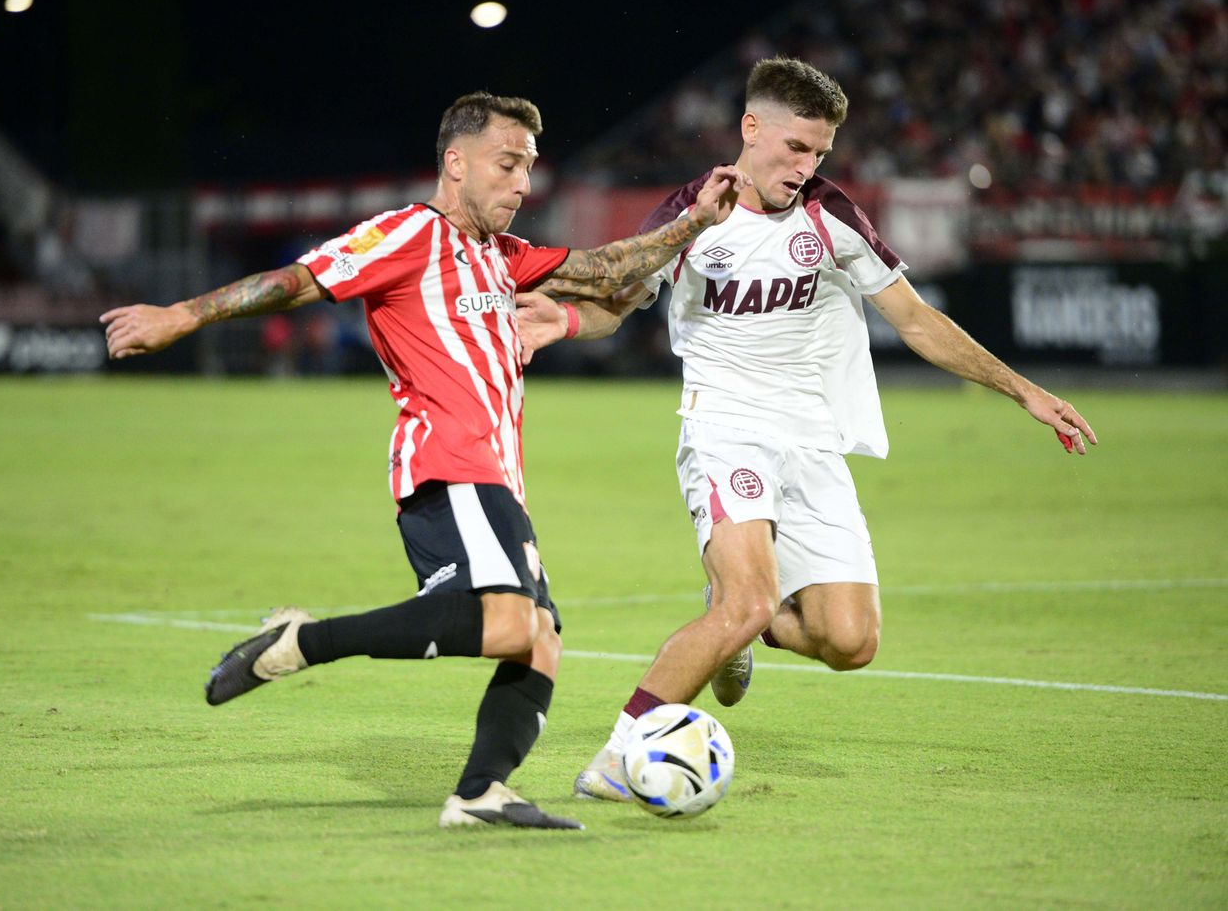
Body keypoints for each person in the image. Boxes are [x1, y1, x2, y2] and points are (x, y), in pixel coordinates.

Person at [99, 91, 749, 828]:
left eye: (528, 169)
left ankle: (481, 792)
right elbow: (298, 280)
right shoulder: (407, 233)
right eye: (507, 165)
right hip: (446, 462)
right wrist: (180, 316)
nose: (521, 184)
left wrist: (695, 222)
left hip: (498, 476)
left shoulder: (505, 258)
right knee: (510, 625)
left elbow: (607, 270)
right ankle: (301, 642)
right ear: (455, 162)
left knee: (540, 641)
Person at [513, 57, 1098, 802]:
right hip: (724, 429)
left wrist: (1023, 392)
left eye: (819, 153)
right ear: (750, 129)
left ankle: (732, 629)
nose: (806, 165)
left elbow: (915, 318)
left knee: (851, 641)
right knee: (749, 599)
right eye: (796, 148)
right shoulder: (694, 212)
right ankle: (619, 754)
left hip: (812, 438)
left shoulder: (830, 214)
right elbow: (618, 303)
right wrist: (562, 320)